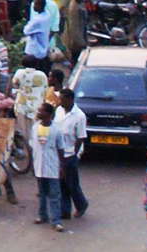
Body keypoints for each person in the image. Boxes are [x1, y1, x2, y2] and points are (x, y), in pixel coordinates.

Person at [29, 101, 66, 231]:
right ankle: (42, 215)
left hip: (52, 166)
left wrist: (62, 166)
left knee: (54, 195)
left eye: (41, 110)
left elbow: (61, 149)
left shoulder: (56, 130)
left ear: (49, 114)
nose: (38, 112)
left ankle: (56, 221)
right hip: (39, 165)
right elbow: (33, 146)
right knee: (42, 193)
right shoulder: (35, 127)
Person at [54, 87, 89, 222]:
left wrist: (74, 155)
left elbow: (80, 137)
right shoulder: (59, 111)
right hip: (60, 151)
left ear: (70, 99)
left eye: (62, 99)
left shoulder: (79, 116)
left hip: (70, 153)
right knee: (61, 182)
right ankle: (65, 210)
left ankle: (81, 204)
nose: (60, 101)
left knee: (71, 183)